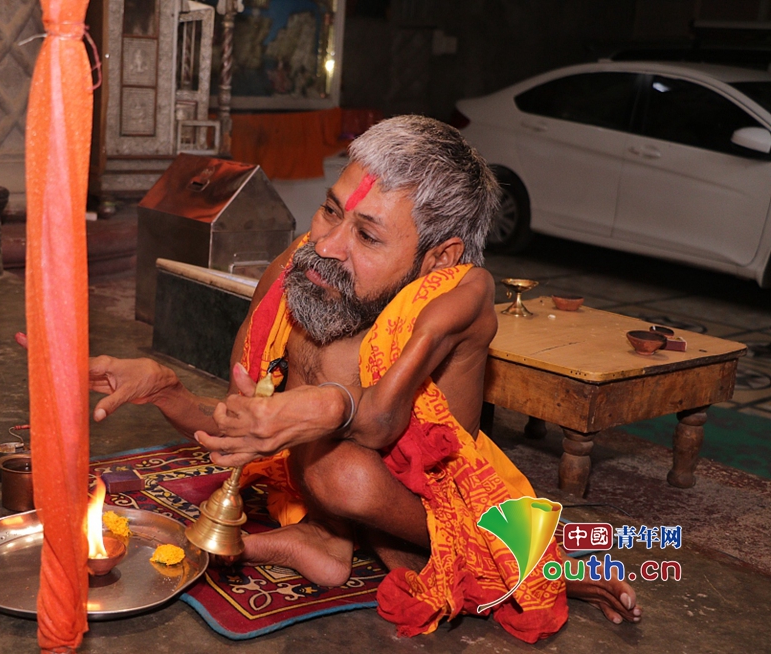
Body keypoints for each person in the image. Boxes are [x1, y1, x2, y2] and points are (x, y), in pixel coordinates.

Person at [87, 116, 642, 641]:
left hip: (434, 507)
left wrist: (323, 408)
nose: (328, 246)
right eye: (331, 210)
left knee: (341, 472)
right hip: (320, 487)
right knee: (323, 467)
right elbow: (242, 428)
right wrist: (167, 390)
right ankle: (326, 538)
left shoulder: (462, 298)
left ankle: (512, 560)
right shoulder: (299, 271)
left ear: (438, 259)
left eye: (369, 237)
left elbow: (376, 422)